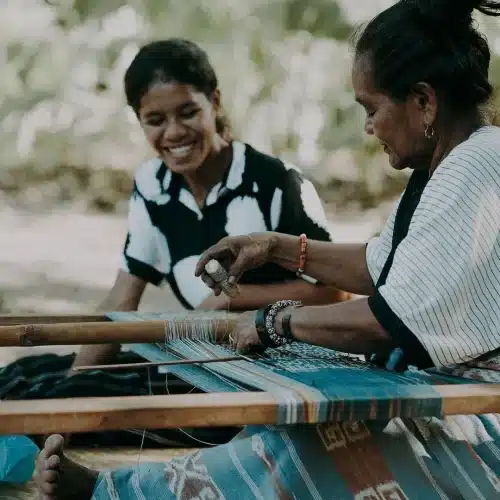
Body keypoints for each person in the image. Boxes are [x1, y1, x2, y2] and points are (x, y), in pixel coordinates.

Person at [34, 0, 500, 498]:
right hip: (460, 399)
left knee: (311, 441)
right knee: (291, 424)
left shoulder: (474, 168)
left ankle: (111, 492)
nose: (368, 128)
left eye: (371, 109)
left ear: (424, 102)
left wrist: (269, 322)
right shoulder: (452, 167)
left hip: (482, 421)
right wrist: (277, 248)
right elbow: (379, 265)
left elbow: (385, 322)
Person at [70, 38, 347, 373]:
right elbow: (122, 299)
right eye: (155, 120)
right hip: (205, 358)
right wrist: (71, 388)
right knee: (29, 382)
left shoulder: (276, 183)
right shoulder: (153, 186)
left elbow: (335, 296)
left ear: (214, 102)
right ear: (138, 120)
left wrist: (232, 297)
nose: (174, 132)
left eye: (188, 113)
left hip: (279, 365)